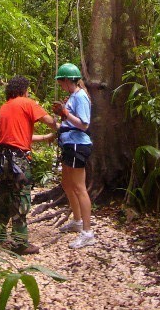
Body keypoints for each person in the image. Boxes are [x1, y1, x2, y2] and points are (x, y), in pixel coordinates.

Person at [0, 75, 57, 255]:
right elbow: (50, 122)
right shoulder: (27, 103)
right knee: (21, 197)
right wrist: (63, 121)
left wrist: (45, 139)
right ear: (23, 90)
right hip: (18, 160)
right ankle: (20, 243)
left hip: (3, 158)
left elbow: (15, 136)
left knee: (3, 195)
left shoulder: (5, 108)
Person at [51, 62, 95, 249]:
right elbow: (69, 122)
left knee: (79, 187)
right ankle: (77, 221)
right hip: (69, 143)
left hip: (78, 144)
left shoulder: (81, 97)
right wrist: (57, 123)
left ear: (69, 81)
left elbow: (84, 124)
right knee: (66, 184)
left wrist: (65, 114)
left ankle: (87, 232)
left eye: (61, 82)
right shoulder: (72, 96)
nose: (60, 85)